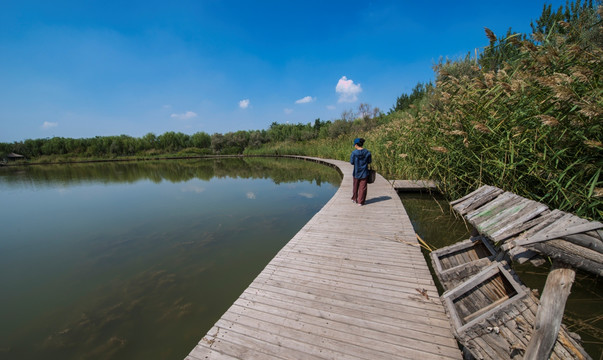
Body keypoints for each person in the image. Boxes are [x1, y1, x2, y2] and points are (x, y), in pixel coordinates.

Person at [350, 137, 372, 206]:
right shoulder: (367, 152)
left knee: (355, 186)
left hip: (356, 172)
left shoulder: (354, 153)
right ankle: (361, 202)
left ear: (356, 144)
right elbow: (369, 161)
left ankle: (354, 199)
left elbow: (352, 162)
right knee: (363, 187)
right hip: (364, 172)